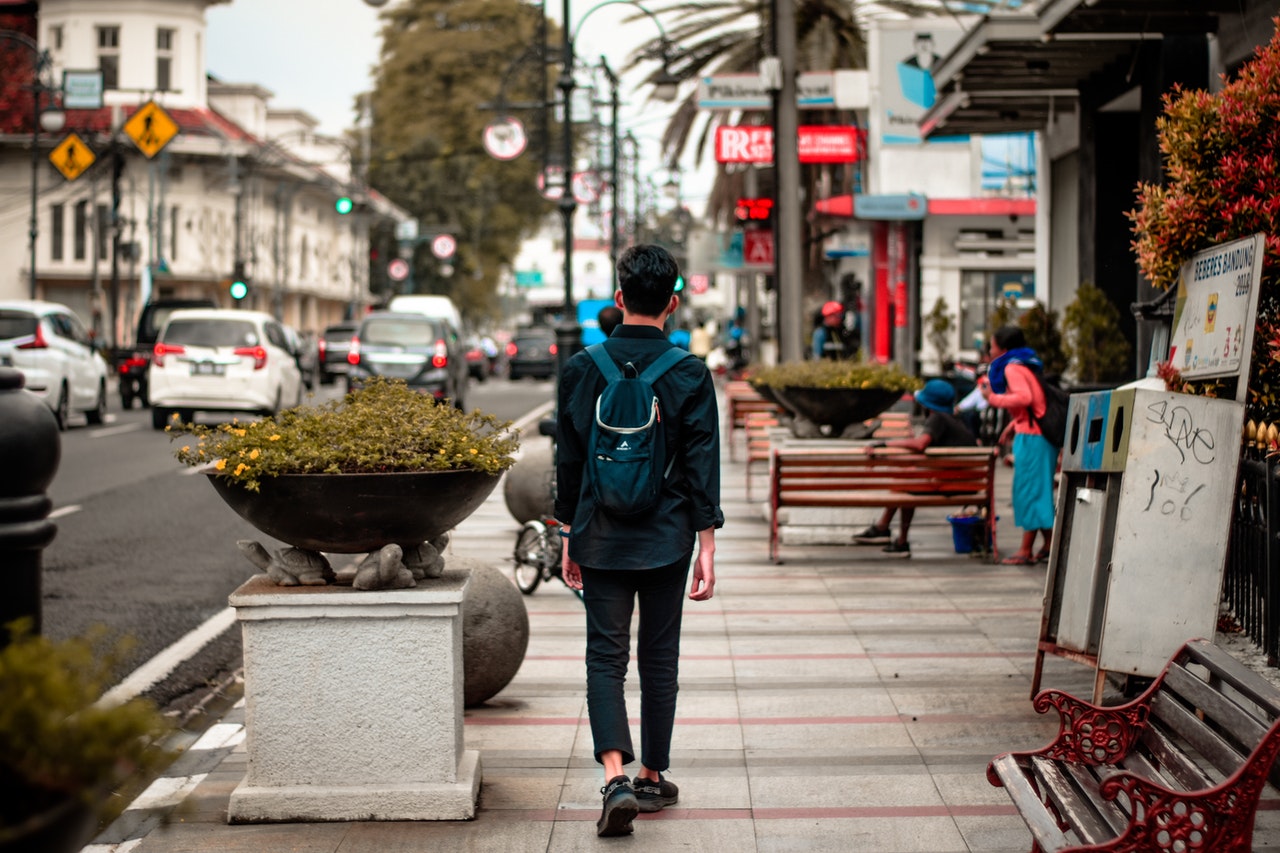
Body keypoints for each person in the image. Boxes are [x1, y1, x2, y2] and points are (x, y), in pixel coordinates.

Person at [555, 244, 723, 837]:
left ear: (619, 297)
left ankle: (614, 777)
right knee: (659, 655)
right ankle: (652, 774)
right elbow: (702, 464)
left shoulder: (582, 367)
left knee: (605, 656)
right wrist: (706, 543)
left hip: (600, 533)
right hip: (667, 536)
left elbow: (568, 460)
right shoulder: (689, 372)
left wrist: (568, 533)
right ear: (672, 304)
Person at [853, 379, 977, 557]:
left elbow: (921, 444)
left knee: (906, 482)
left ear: (927, 403)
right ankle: (885, 529)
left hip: (951, 484)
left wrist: (885, 444)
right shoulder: (956, 421)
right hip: (970, 484)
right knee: (906, 479)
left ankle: (896, 537)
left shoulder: (937, 418)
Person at [980, 325, 1055, 565]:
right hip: (1034, 434)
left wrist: (992, 398)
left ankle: (1025, 550)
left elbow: (1025, 398)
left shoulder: (1012, 368)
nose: (990, 351)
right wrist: (1014, 425)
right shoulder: (1024, 364)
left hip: (1033, 438)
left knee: (1029, 492)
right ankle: (1050, 544)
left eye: (992, 346)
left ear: (1003, 348)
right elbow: (1034, 404)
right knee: (1037, 491)